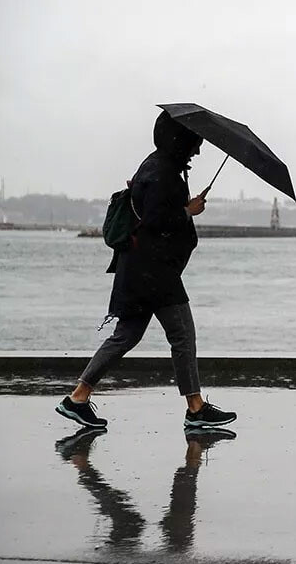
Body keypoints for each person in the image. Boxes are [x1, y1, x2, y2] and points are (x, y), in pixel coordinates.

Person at [54, 111, 236, 430]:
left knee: (125, 335)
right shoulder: (164, 171)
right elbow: (155, 221)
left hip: (138, 270)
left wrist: (182, 207)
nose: (198, 149)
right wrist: (187, 210)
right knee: (181, 335)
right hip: (155, 273)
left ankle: (78, 397)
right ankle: (195, 409)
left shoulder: (154, 166)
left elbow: (152, 212)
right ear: (180, 139)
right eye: (195, 142)